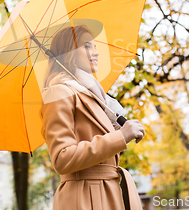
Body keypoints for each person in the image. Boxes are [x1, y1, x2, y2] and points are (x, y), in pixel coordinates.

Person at [40, 25, 145, 210]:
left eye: (95, 46)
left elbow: (94, 144)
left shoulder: (92, 95)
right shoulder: (59, 92)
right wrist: (120, 137)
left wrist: (114, 132)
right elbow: (62, 159)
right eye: (86, 46)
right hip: (85, 198)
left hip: (107, 193)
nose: (95, 52)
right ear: (69, 52)